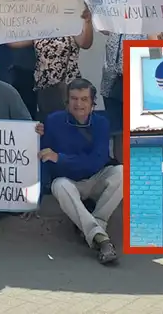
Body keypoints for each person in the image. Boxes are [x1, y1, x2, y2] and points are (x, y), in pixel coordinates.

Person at [39, 78, 122, 265]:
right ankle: (102, 239)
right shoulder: (54, 121)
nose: (79, 104)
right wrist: (35, 198)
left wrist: (60, 158)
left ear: (92, 103)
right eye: (74, 99)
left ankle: (95, 227)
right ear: (67, 102)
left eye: (84, 99)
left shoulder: (101, 123)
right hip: (70, 182)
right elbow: (43, 158)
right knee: (58, 185)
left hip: (96, 178)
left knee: (123, 173)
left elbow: (96, 161)